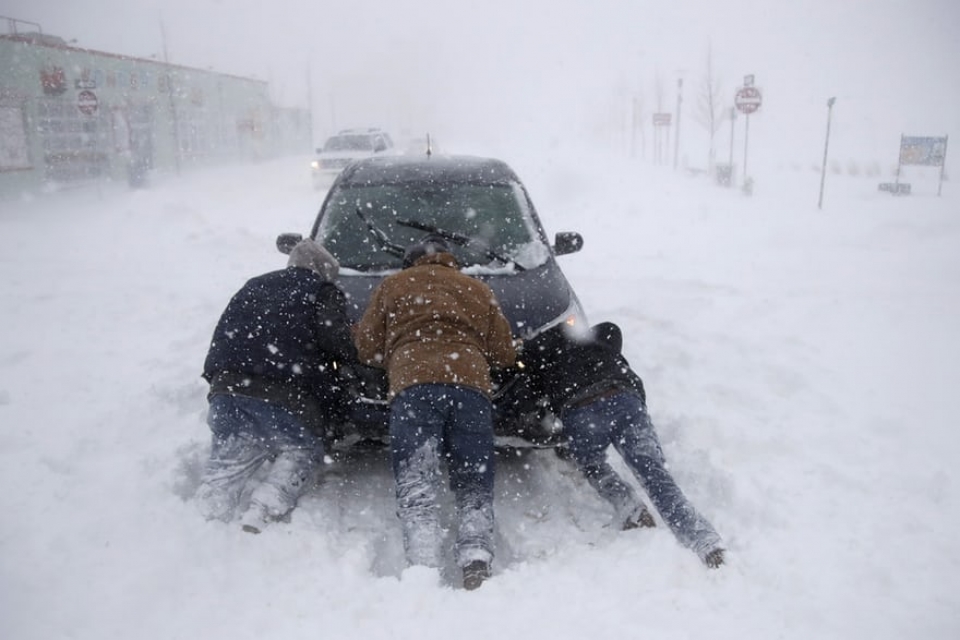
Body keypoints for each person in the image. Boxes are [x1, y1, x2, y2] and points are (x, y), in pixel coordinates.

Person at [353, 235, 517, 590]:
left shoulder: (393, 286)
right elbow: (504, 353)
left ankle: (424, 562)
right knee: (474, 477)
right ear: (449, 260)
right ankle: (475, 556)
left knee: (416, 479)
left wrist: (397, 352)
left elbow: (366, 348)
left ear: (412, 262)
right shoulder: (476, 288)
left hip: (414, 385)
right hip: (470, 385)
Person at [521, 321, 726, 568]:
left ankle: (631, 508)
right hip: (623, 399)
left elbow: (528, 396)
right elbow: (612, 329)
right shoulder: (594, 335)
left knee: (592, 464)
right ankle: (705, 542)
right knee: (655, 475)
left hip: (580, 409)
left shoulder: (536, 352)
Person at [195, 239, 357, 534]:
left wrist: (218, 382)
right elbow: (337, 342)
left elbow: (222, 335)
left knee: (229, 460)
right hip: (285, 395)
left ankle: (206, 520)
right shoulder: (322, 291)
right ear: (324, 272)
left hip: (227, 389)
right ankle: (262, 510)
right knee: (301, 449)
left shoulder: (253, 285)